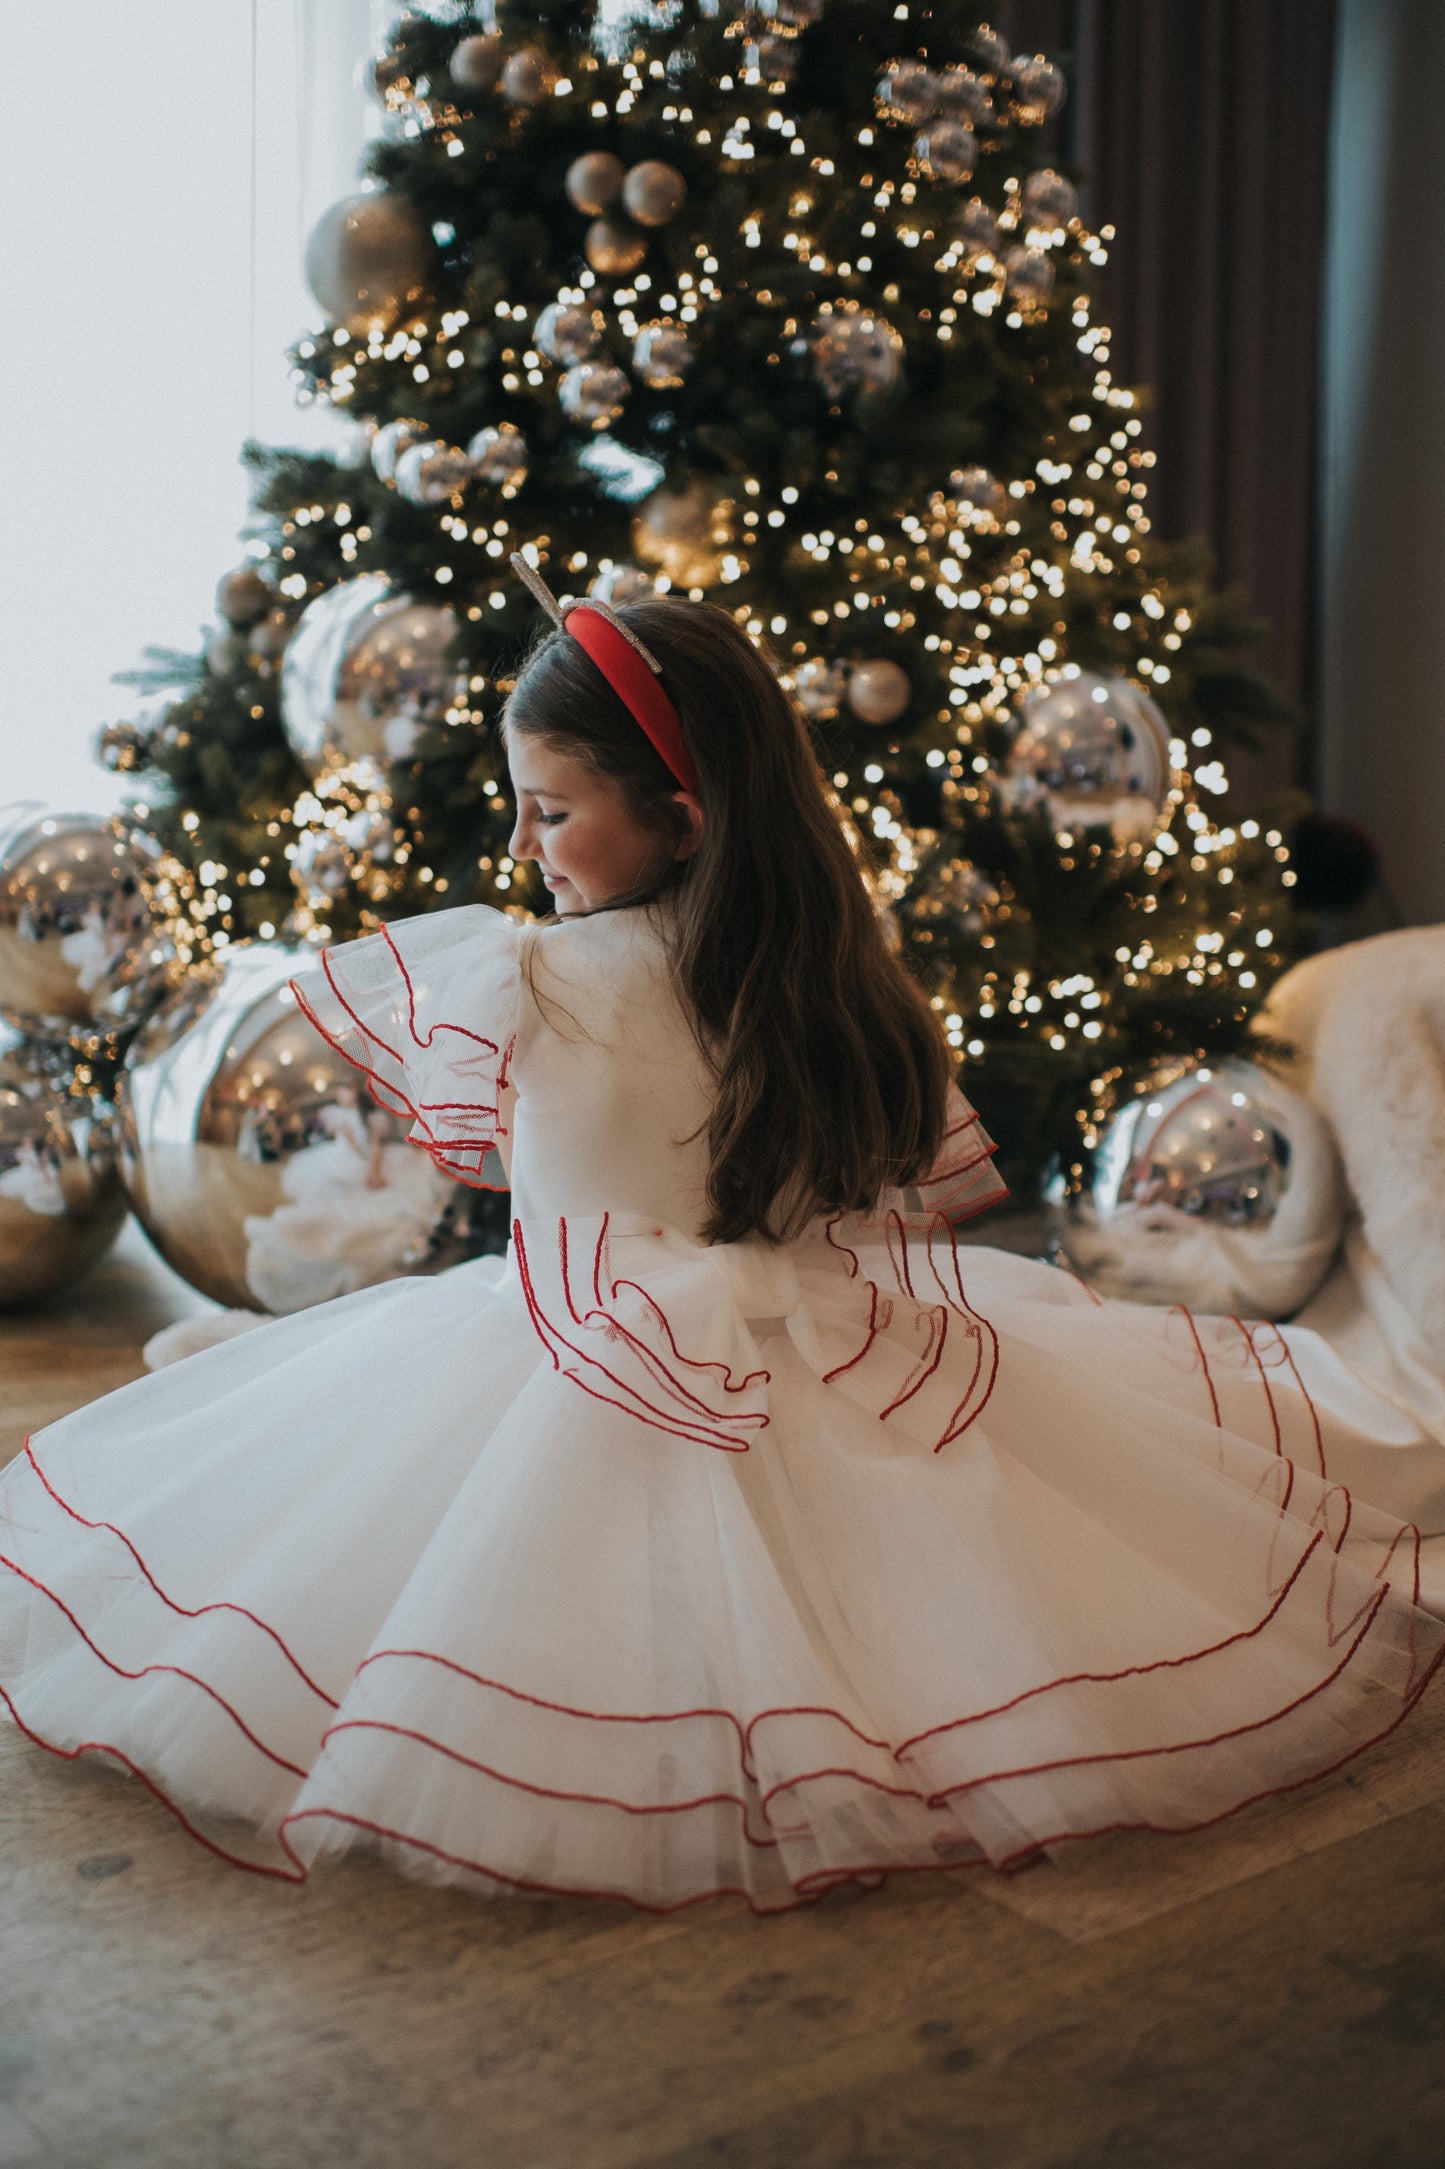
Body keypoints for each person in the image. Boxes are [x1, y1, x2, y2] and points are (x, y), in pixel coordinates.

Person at [1, 564, 1440, 1917]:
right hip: (823, 1344)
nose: (518, 846)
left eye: (547, 811)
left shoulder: (532, 981)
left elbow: (536, 1205)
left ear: (679, 817)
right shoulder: (834, 976)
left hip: (587, 1348)